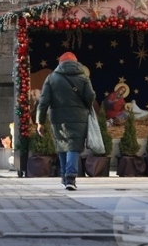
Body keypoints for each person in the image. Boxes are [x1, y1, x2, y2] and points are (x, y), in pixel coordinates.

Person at [36, 51, 95, 191]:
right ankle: (70, 178)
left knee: (62, 145)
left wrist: (40, 121)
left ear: (60, 63)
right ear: (76, 63)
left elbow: (43, 101)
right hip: (78, 117)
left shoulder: (52, 78)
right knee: (73, 146)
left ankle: (65, 177)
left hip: (58, 117)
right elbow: (90, 96)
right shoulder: (83, 78)